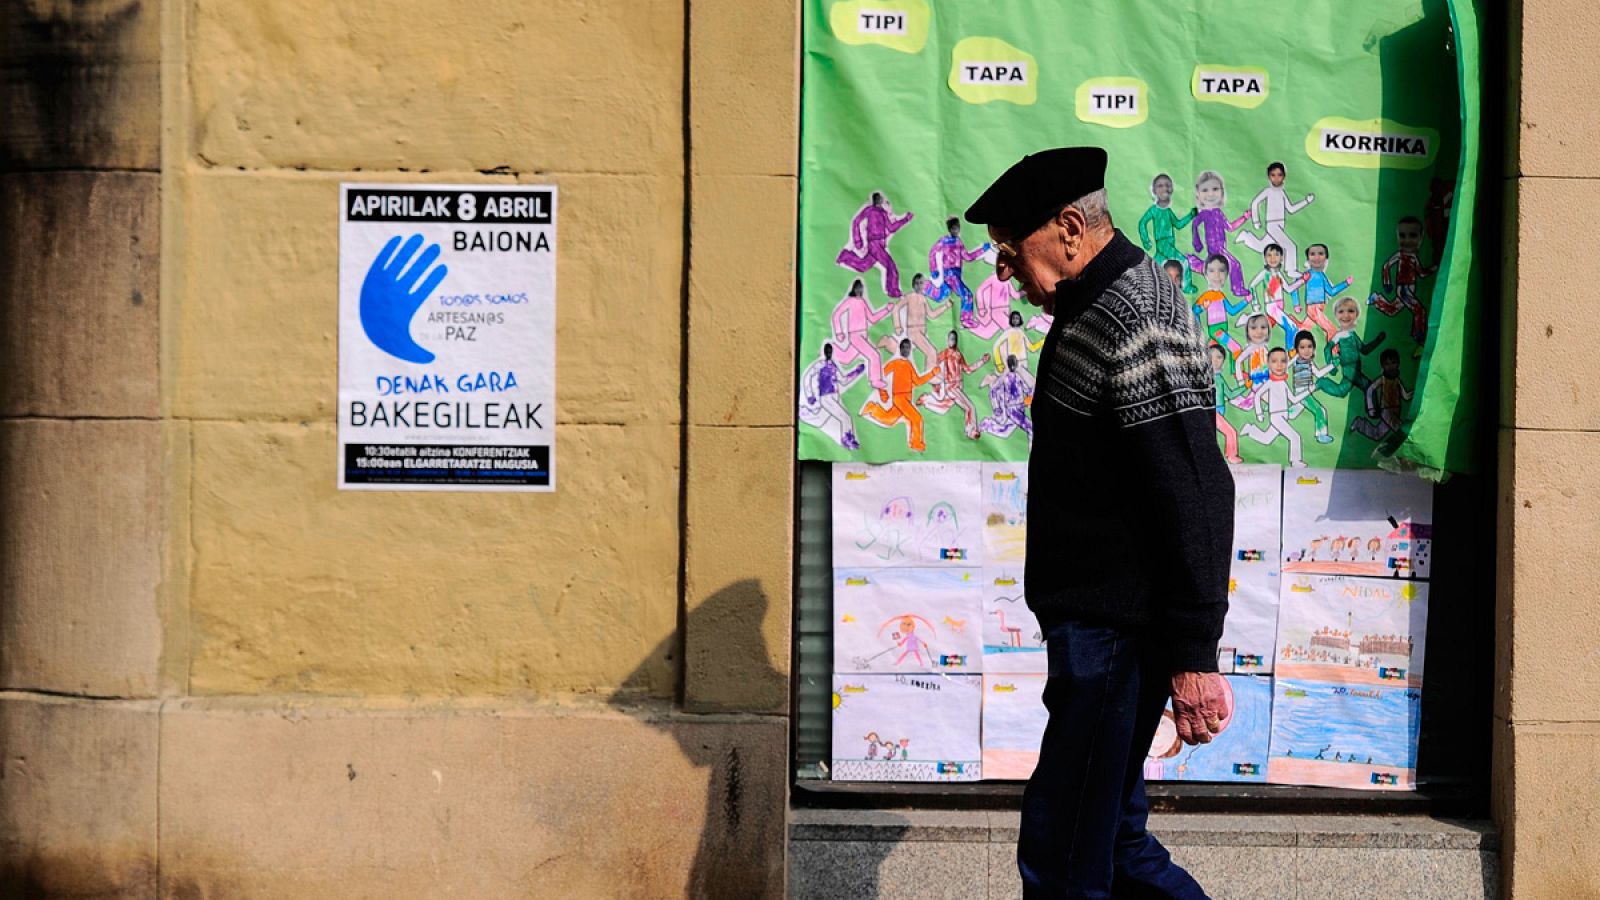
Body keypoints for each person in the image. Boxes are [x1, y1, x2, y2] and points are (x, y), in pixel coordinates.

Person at [967, 146, 1233, 899]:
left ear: (1071, 227)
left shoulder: (1134, 313)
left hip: (1114, 636)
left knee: (1063, 854)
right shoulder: (1097, 303)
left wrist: (1193, 653)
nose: (1007, 271)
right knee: (1114, 845)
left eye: (1013, 252)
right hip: (1101, 631)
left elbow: (1193, 487)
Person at [860, 338, 939, 452]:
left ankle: (873, 408)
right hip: (900, 398)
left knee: (889, 419)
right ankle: (915, 443)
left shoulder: (909, 364)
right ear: (900, 348)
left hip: (907, 398)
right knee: (916, 418)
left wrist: (932, 373)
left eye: (908, 348)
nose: (906, 350)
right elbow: (880, 375)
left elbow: (917, 381)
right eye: (904, 347)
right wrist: (882, 391)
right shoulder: (895, 363)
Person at [1235, 161, 1315, 271]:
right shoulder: (1268, 191)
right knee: (1290, 246)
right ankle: (1291, 270)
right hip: (1272, 225)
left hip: (1280, 224)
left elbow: (1290, 209)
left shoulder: (1282, 192)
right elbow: (1255, 203)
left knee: (1262, 247)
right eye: (1273, 175)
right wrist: (1256, 221)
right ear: (1269, 177)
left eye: (1279, 175)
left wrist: (1306, 201)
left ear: (1284, 176)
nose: (1276, 178)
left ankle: (1246, 237)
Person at [836, 191, 913, 298]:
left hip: (880, 245)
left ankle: (844, 257)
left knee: (863, 265)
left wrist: (905, 220)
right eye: (881, 199)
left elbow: (891, 228)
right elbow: (856, 222)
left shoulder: (883, 213)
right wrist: (858, 241)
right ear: (878, 200)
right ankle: (893, 291)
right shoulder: (869, 211)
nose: (882, 201)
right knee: (891, 266)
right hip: (875, 244)